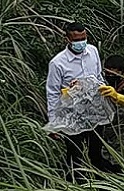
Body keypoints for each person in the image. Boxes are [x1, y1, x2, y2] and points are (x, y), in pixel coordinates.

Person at [46, 22, 118, 181]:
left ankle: (101, 180)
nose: (81, 42)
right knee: (74, 152)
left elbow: (99, 77)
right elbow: (52, 93)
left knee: (96, 149)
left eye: (83, 38)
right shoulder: (57, 63)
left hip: (94, 110)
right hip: (72, 113)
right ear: (67, 39)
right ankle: (74, 181)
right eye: (77, 39)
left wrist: (104, 90)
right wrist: (54, 122)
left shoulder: (92, 51)